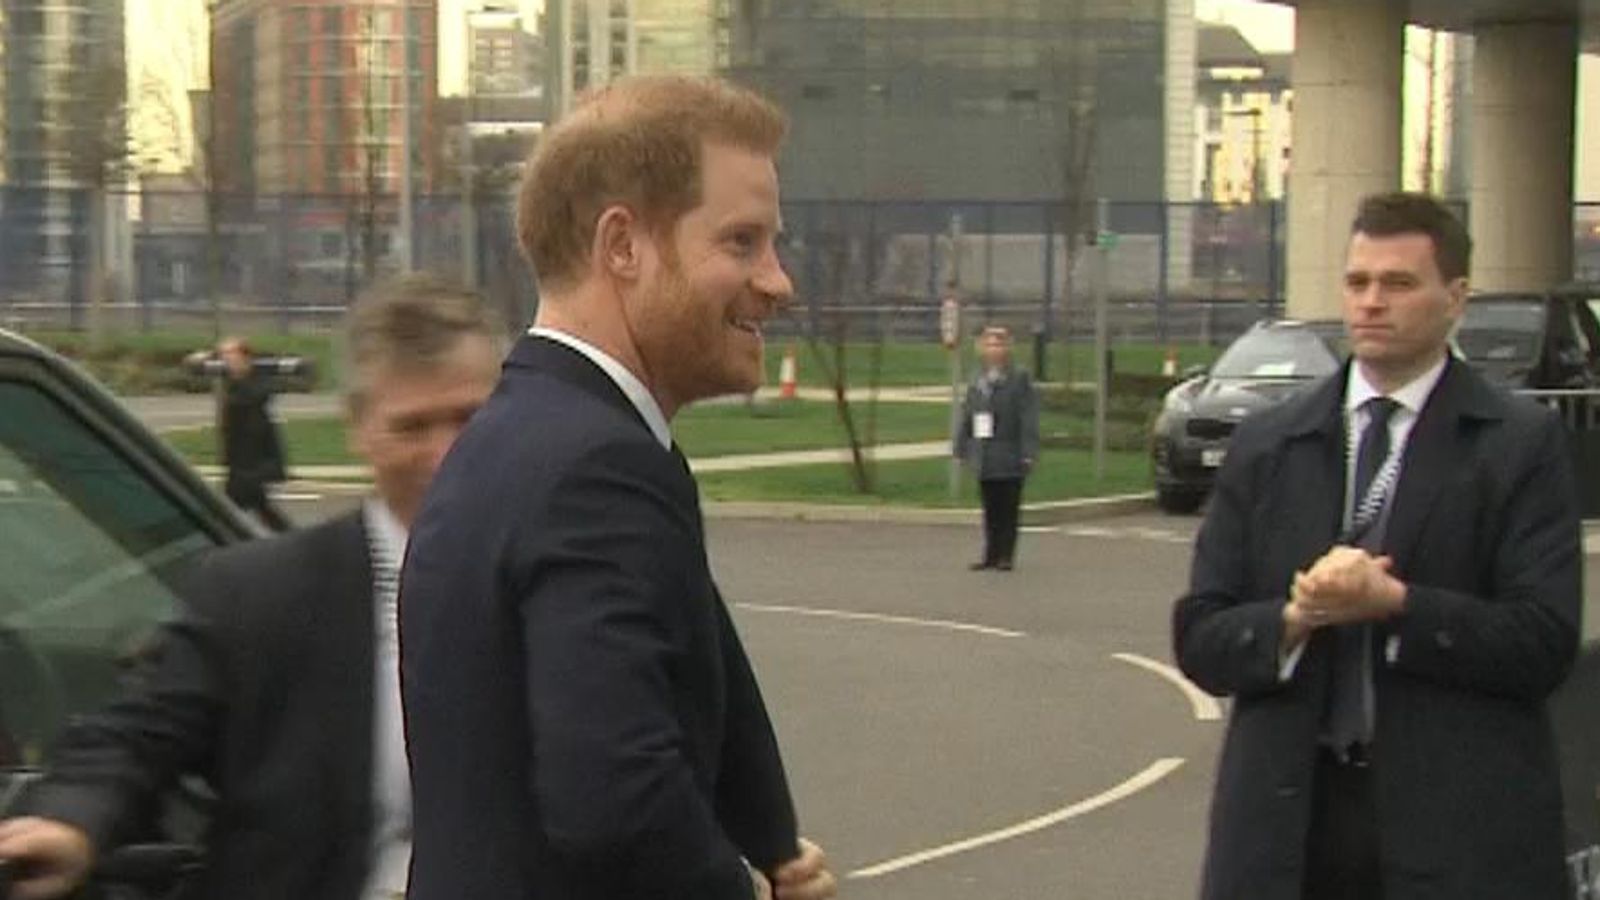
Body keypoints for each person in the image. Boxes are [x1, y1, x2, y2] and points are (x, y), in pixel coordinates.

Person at [399, 75, 837, 900]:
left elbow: (709, 667)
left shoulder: (524, 435)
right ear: (623, 246)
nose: (780, 282)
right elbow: (613, 798)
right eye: (742, 243)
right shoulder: (595, 470)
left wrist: (772, 845)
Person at [0, 274, 505, 900]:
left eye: (468, 418)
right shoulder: (260, 595)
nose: (446, 453)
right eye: (413, 427)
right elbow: (136, 734)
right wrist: (69, 823)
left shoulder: (575, 581)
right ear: (358, 428)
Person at [1172, 192, 1581, 900]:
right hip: (1288, 833)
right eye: (1358, 282)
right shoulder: (1273, 444)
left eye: (1398, 284)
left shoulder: (1518, 444)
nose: (1371, 303)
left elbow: (1543, 642)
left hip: (1456, 834)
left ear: (1455, 298)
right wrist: (1295, 620)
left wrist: (1397, 605)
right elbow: (1202, 636)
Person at [953, 325, 1039, 571]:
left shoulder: (1019, 378)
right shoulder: (977, 379)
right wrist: (961, 447)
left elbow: (1028, 416)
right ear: (982, 348)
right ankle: (990, 553)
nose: (994, 349)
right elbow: (968, 414)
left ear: (1007, 348)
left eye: (998, 344)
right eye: (989, 344)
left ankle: (1005, 554)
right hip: (985, 454)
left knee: (1008, 507)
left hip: (1010, 453)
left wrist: (1028, 452)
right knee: (989, 508)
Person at [217, 336, 292, 532]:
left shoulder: (254, 383)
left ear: (245, 357)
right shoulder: (233, 383)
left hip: (254, 461)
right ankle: (288, 538)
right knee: (258, 509)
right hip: (240, 463)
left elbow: (256, 397)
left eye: (231, 354)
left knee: (228, 511)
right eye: (224, 355)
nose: (226, 360)